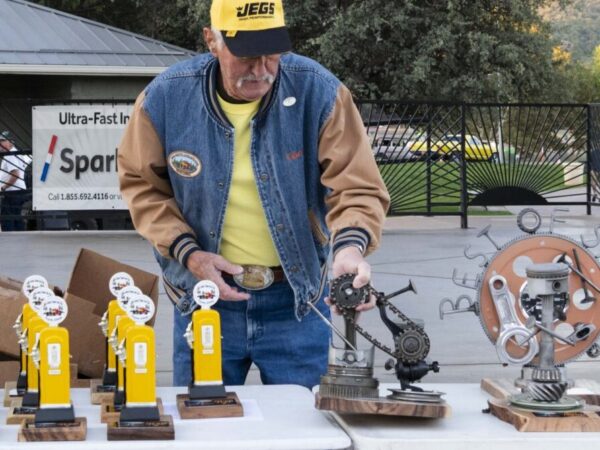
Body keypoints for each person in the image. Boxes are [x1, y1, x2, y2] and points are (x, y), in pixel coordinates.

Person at [118, 0, 390, 388]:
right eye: (246, 55)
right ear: (212, 40)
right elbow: (142, 187)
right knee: (204, 430)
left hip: (295, 303)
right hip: (205, 299)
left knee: (306, 433)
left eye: (272, 54)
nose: (261, 70)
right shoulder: (165, 99)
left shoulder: (320, 91)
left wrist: (348, 248)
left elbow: (356, 184)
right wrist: (189, 254)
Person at [0, 130, 27, 231]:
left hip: (12, 192)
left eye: (2, 141)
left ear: (11, 142)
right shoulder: (16, 154)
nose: (0, 144)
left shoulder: (10, 155)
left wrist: (3, 187)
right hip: (17, 192)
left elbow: (15, 174)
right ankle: (20, 241)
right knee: (16, 218)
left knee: (7, 220)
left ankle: (10, 243)